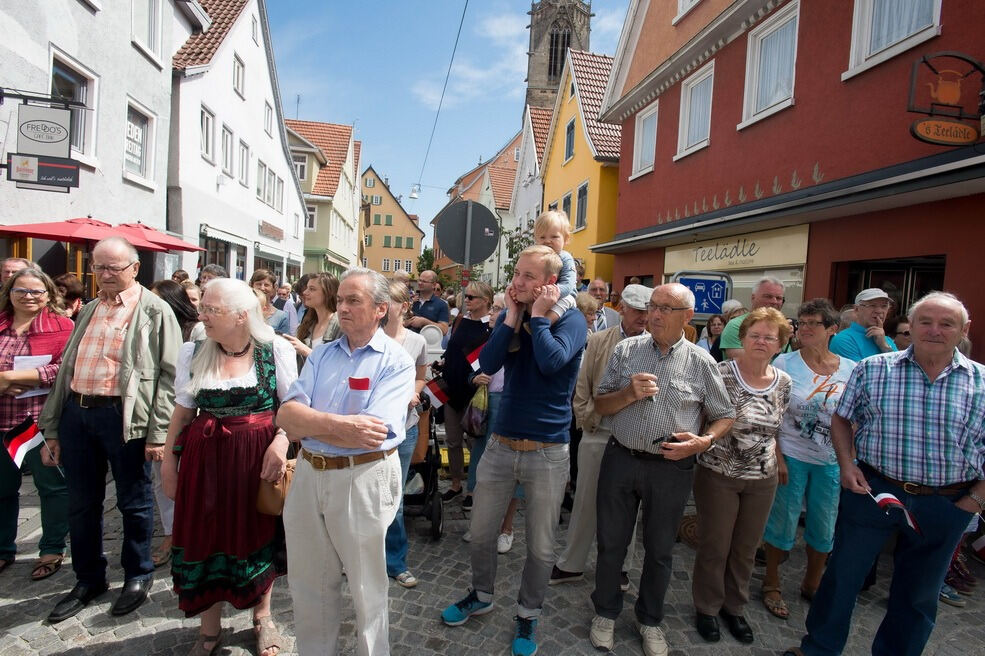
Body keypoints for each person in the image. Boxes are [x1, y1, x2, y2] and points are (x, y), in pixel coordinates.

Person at [786, 291, 985, 656]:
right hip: (873, 491)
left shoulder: (982, 382)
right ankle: (818, 648)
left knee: (919, 594)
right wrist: (847, 466)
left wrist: (974, 501)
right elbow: (842, 419)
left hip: (947, 503)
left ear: (964, 329)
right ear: (910, 324)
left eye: (946, 324)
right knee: (842, 578)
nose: (934, 330)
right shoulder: (875, 368)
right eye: (925, 322)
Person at [441, 245, 587, 656]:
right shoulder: (512, 317)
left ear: (550, 284)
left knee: (541, 547)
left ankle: (527, 614)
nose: (517, 282)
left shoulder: (572, 321)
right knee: (482, 534)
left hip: (547, 451)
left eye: (527, 276)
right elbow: (486, 363)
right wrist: (511, 318)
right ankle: (482, 595)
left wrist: (538, 318)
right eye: (517, 273)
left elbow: (551, 362)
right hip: (502, 445)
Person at [38, 236, 181, 623]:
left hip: (123, 417)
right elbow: (67, 367)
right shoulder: (87, 309)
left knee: (133, 501)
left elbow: (170, 377)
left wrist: (158, 433)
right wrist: (52, 427)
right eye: (99, 267)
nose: (104, 275)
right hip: (77, 413)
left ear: (134, 268)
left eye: (113, 268)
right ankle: (89, 578)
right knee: (81, 503)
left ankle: (137, 574)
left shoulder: (155, 310)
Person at [588, 283, 735, 656]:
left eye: (665, 308)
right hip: (621, 459)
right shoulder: (627, 350)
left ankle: (650, 619)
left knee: (659, 550)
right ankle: (605, 612)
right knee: (611, 543)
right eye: (653, 306)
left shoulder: (702, 362)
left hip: (671, 466)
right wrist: (628, 394)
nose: (654, 314)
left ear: (688, 317)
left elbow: (725, 416)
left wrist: (703, 442)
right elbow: (601, 405)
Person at [277, 267, 415, 656]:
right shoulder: (322, 354)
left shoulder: (396, 362)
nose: (344, 308)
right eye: (341, 300)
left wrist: (312, 424)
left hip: (362, 477)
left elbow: (373, 432)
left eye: (354, 300)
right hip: (308, 475)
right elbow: (286, 418)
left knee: (367, 587)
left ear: (380, 309)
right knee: (308, 583)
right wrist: (339, 426)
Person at [160, 278, 296, 656]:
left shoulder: (274, 350)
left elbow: (291, 407)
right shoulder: (195, 349)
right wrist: (169, 463)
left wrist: (281, 441)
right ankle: (209, 629)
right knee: (206, 535)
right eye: (203, 307)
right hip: (206, 459)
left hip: (256, 457)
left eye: (211, 310)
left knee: (257, 532)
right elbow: (184, 411)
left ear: (240, 316)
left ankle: (263, 617)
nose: (201, 315)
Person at [691, 308, 792, 645]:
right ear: (743, 338)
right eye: (755, 335)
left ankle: (734, 607)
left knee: (746, 548)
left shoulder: (784, 382)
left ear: (780, 344)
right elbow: (702, 418)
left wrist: (778, 461)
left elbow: (776, 430)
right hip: (718, 473)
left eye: (769, 337)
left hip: (761, 478)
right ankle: (707, 607)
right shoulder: (720, 372)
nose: (762, 341)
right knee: (715, 545)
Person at [550, 284, 651, 588]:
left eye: (647, 311)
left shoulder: (655, 345)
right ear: (623, 310)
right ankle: (572, 563)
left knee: (628, 506)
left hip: (635, 437)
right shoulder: (598, 340)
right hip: (599, 430)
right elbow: (582, 387)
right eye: (637, 310)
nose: (643, 317)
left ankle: (620, 565)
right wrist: (588, 420)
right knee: (585, 501)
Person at [761, 300, 856, 621]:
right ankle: (771, 582)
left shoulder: (851, 369)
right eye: (801, 323)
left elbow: (855, 418)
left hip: (830, 459)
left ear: (832, 329)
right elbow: (771, 413)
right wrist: (778, 456)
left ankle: (812, 582)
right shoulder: (785, 363)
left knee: (824, 524)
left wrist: (850, 461)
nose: (804, 329)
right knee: (782, 520)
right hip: (792, 453)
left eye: (813, 323)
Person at [0, 269, 74, 581]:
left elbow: (69, 367)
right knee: (2, 490)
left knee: (52, 488)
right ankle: (3, 547)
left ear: (48, 294)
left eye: (36, 291)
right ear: (9, 292)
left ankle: (52, 547)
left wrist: (27, 377)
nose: (28, 296)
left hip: (39, 422)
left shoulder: (61, 326)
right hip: (2, 420)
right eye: (21, 290)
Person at [147, 279, 200, 570]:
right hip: (161, 413)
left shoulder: (195, 331)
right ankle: (171, 532)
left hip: (185, 414)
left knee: (189, 476)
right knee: (162, 477)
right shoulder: (148, 326)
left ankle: (189, 531)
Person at [382, 281, 428, 589]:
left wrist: (414, 392)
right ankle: (362, 558)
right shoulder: (368, 338)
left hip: (405, 426)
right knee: (366, 496)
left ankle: (395, 561)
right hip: (372, 428)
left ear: (403, 306)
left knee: (395, 497)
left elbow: (421, 376)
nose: (383, 306)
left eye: (389, 301)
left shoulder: (416, 341)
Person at [437, 281, 494, 504]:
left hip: (475, 394)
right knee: (452, 441)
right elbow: (452, 351)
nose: (467, 300)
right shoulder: (459, 321)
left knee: (474, 442)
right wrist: (443, 362)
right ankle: (456, 484)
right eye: (467, 297)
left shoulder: (491, 327)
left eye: (472, 297)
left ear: (486, 301)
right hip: (453, 390)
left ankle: (473, 488)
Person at [718, 277, 786, 360]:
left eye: (778, 298)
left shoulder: (783, 327)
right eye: (768, 296)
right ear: (753, 298)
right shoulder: (735, 325)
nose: (774, 301)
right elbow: (744, 361)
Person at [282, 273, 340, 364]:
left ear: (328, 293)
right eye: (307, 288)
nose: (305, 292)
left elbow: (338, 365)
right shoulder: (308, 322)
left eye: (312, 289)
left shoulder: (340, 326)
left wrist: (306, 351)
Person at [828, 288, 897, 361]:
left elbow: (900, 370)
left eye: (884, 306)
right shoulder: (843, 339)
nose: (879, 311)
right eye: (872, 305)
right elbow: (859, 371)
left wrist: (884, 346)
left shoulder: (887, 340)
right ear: (857, 309)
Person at [406, 270, 450, 334]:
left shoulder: (441, 304)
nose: (420, 283)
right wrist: (409, 322)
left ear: (433, 285)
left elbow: (444, 330)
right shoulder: (413, 301)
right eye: (420, 280)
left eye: (424, 281)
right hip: (409, 341)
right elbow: (400, 322)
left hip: (429, 343)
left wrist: (425, 322)